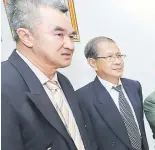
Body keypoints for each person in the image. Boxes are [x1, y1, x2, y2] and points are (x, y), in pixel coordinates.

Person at [1, 0, 97, 150]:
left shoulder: (63, 81)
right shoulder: (4, 84)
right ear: (26, 37)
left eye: (71, 37)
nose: (70, 46)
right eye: (59, 34)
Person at [76, 37, 149, 150]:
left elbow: (140, 129)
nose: (118, 61)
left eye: (119, 55)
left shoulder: (134, 86)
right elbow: (89, 141)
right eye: (109, 57)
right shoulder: (82, 97)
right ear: (93, 63)